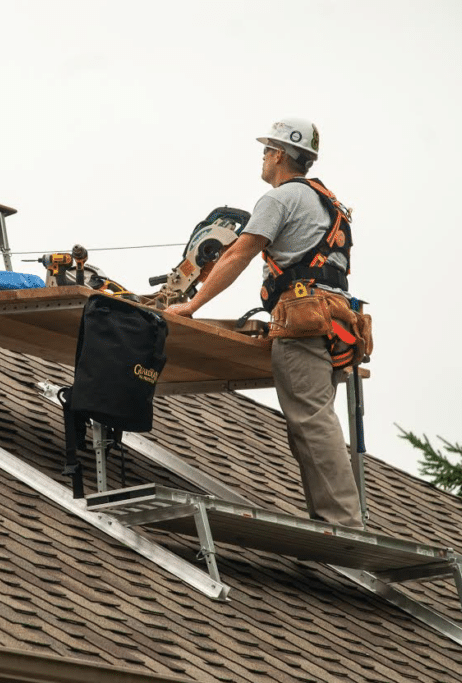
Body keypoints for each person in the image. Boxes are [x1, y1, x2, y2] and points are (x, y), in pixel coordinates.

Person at [165, 118, 363, 528]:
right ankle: (335, 519)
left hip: (305, 321)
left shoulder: (279, 199)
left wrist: (193, 304)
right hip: (334, 321)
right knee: (311, 422)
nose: (263, 156)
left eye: (266, 150)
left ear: (278, 155)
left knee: (311, 421)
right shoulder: (325, 200)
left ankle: (344, 525)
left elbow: (238, 254)